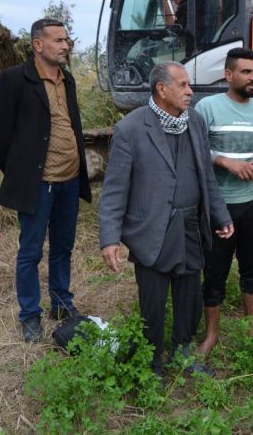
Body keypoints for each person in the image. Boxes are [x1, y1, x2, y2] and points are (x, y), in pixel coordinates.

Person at [98, 61, 233, 377]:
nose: (190, 91)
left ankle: (183, 353)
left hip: (190, 227)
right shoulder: (131, 128)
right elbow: (115, 190)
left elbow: (206, 178)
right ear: (162, 89)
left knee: (189, 298)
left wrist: (220, 214)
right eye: (183, 85)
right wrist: (109, 238)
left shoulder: (195, 123)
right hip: (152, 231)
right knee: (153, 305)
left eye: (189, 85)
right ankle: (153, 363)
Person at [0, 18, 91, 343]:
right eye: (58, 40)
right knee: (30, 252)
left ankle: (61, 303)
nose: (65, 46)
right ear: (38, 45)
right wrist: (21, 171)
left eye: (67, 40)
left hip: (69, 181)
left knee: (62, 247)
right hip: (39, 184)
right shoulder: (15, 80)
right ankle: (30, 316)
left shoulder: (68, 80)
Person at [194, 47, 253, 356]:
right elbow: (193, 148)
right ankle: (211, 337)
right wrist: (224, 161)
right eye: (246, 72)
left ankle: (251, 332)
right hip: (220, 205)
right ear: (228, 75)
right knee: (214, 272)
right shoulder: (207, 107)